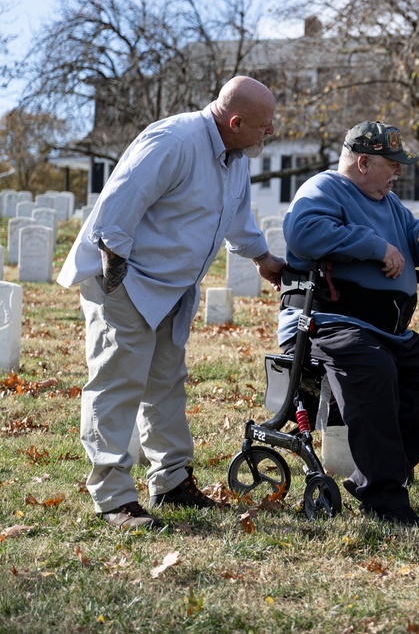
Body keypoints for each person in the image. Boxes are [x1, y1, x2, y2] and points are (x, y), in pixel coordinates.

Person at [57, 76, 285, 530]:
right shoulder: (175, 140)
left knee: (165, 382)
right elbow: (119, 204)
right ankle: (113, 497)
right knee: (118, 382)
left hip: (170, 288)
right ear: (235, 121)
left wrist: (262, 257)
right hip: (124, 276)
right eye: (265, 125)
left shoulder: (234, 156)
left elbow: (235, 218)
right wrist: (114, 279)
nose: (272, 132)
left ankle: (171, 481)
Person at [279, 121, 419, 527]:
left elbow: (411, 231)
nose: (398, 173)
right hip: (327, 320)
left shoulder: (388, 200)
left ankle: (377, 473)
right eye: (392, 164)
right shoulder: (324, 188)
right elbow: (303, 232)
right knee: (374, 369)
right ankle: (384, 499)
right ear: (362, 162)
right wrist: (374, 247)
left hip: (383, 329)